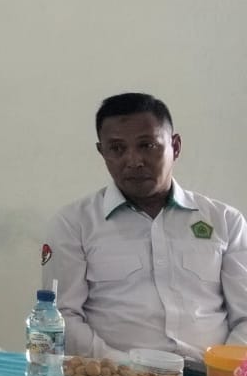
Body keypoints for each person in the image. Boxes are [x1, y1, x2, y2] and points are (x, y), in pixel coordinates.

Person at [47, 92, 246, 361]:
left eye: (147, 145)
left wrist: (223, 369)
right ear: (102, 152)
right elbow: (61, 316)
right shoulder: (74, 223)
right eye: (117, 148)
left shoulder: (226, 221)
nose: (134, 160)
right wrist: (125, 369)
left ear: (175, 146)